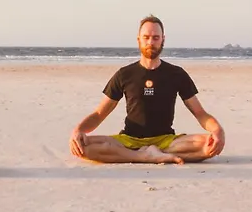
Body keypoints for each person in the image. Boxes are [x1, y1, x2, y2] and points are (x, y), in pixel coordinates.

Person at [69, 15, 225, 164]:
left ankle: (148, 153)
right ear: (139, 39)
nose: (151, 42)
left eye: (156, 38)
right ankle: (144, 155)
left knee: (208, 144)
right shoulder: (124, 74)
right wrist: (78, 131)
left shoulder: (176, 74)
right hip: (129, 140)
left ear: (163, 40)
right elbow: (99, 114)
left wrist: (218, 130)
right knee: (83, 145)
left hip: (166, 140)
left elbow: (199, 113)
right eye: (146, 37)